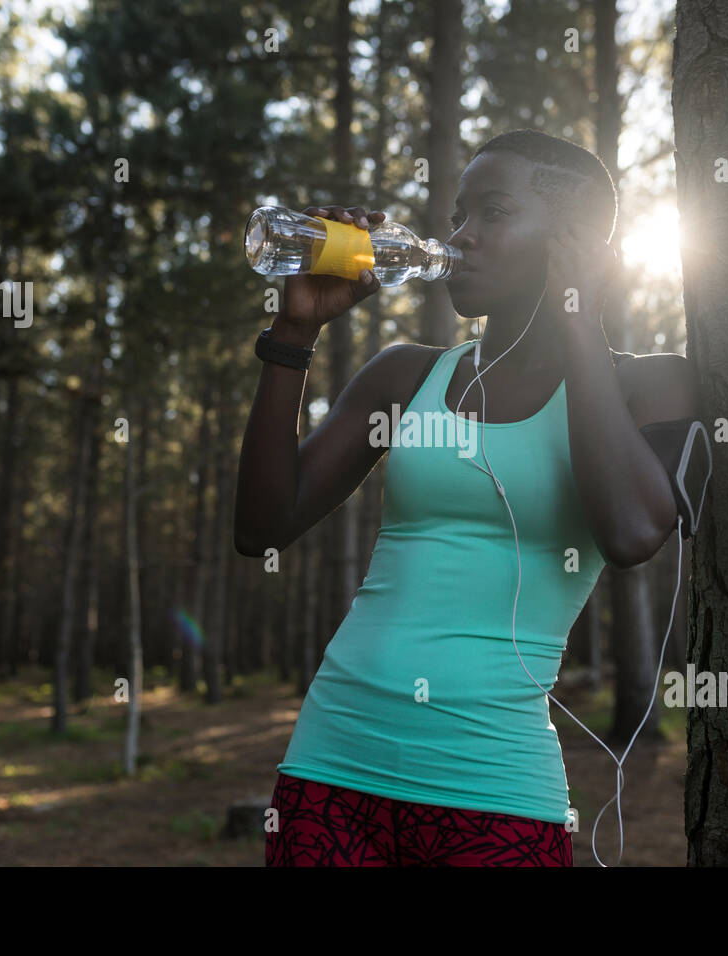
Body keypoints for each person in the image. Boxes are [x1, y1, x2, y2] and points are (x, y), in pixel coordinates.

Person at [236, 128, 699, 866]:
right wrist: (293, 334)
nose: (461, 236)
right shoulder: (405, 376)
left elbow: (634, 532)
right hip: (332, 768)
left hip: (495, 789)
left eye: (493, 212)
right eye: (459, 215)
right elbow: (261, 526)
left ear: (573, 240)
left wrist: (580, 316)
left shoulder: (650, 385)